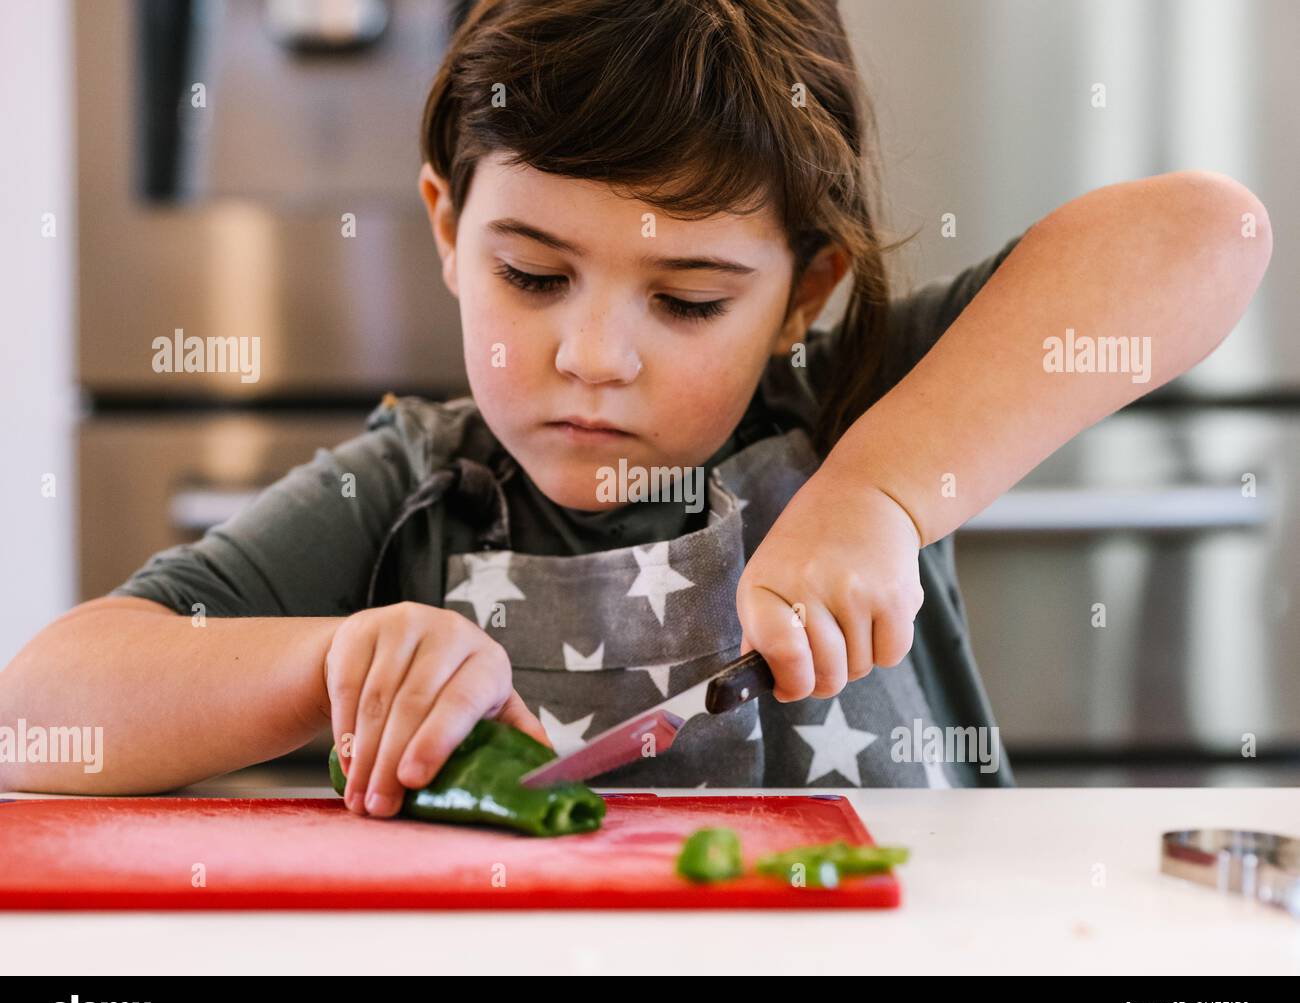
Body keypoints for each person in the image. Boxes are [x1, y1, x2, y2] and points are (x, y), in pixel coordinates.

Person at [0, 0, 1271, 810]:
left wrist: (882, 491)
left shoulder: (850, 411)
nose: (593, 356)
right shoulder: (408, 490)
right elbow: (33, 716)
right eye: (532, 275)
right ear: (449, 227)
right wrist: (325, 661)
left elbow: (1212, 232)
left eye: (689, 300)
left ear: (800, 292)